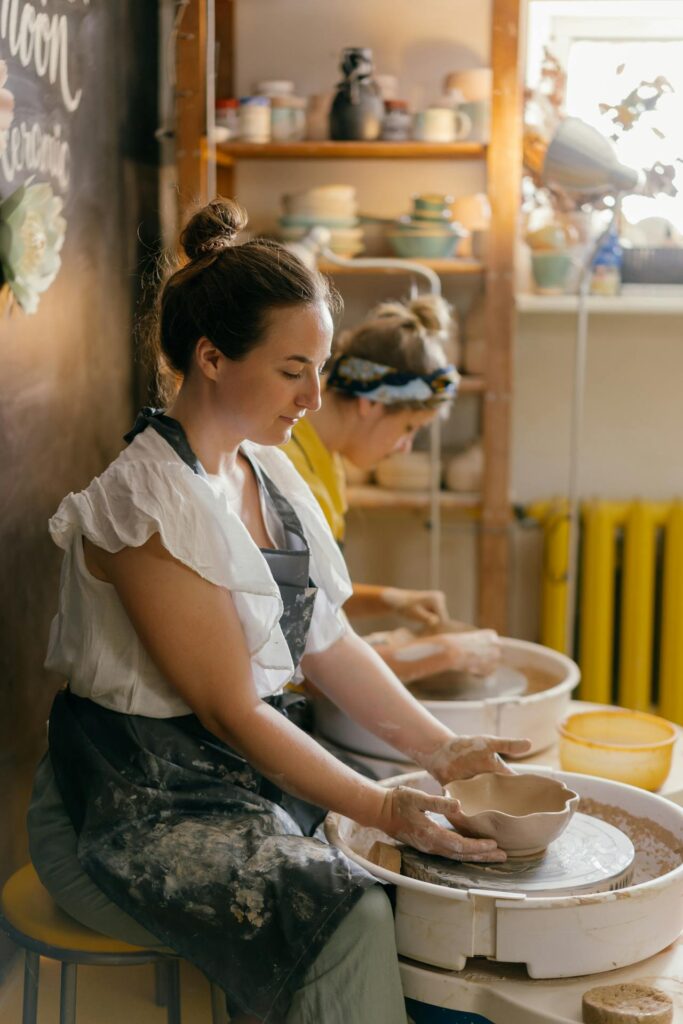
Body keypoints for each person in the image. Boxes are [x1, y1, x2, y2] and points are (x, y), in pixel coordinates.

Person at [28, 198, 529, 1024]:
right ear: (212, 356)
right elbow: (230, 710)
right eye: (293, 369)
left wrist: (443, 751)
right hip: (129, 807)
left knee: (424, 867)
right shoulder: (147, 504)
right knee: (353, 905)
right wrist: (378, 803)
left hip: (233, 784)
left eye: (320, 368)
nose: (312, 395)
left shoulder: (268, 470)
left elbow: (327, 642)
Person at [283, 295, 500, 685]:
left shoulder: (325, 457)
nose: (404, 447)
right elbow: (305, 659)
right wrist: (444, 653)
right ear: (371, 403)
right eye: (408, 428)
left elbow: (312, 594)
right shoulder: (291, 474)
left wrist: (392, 599)